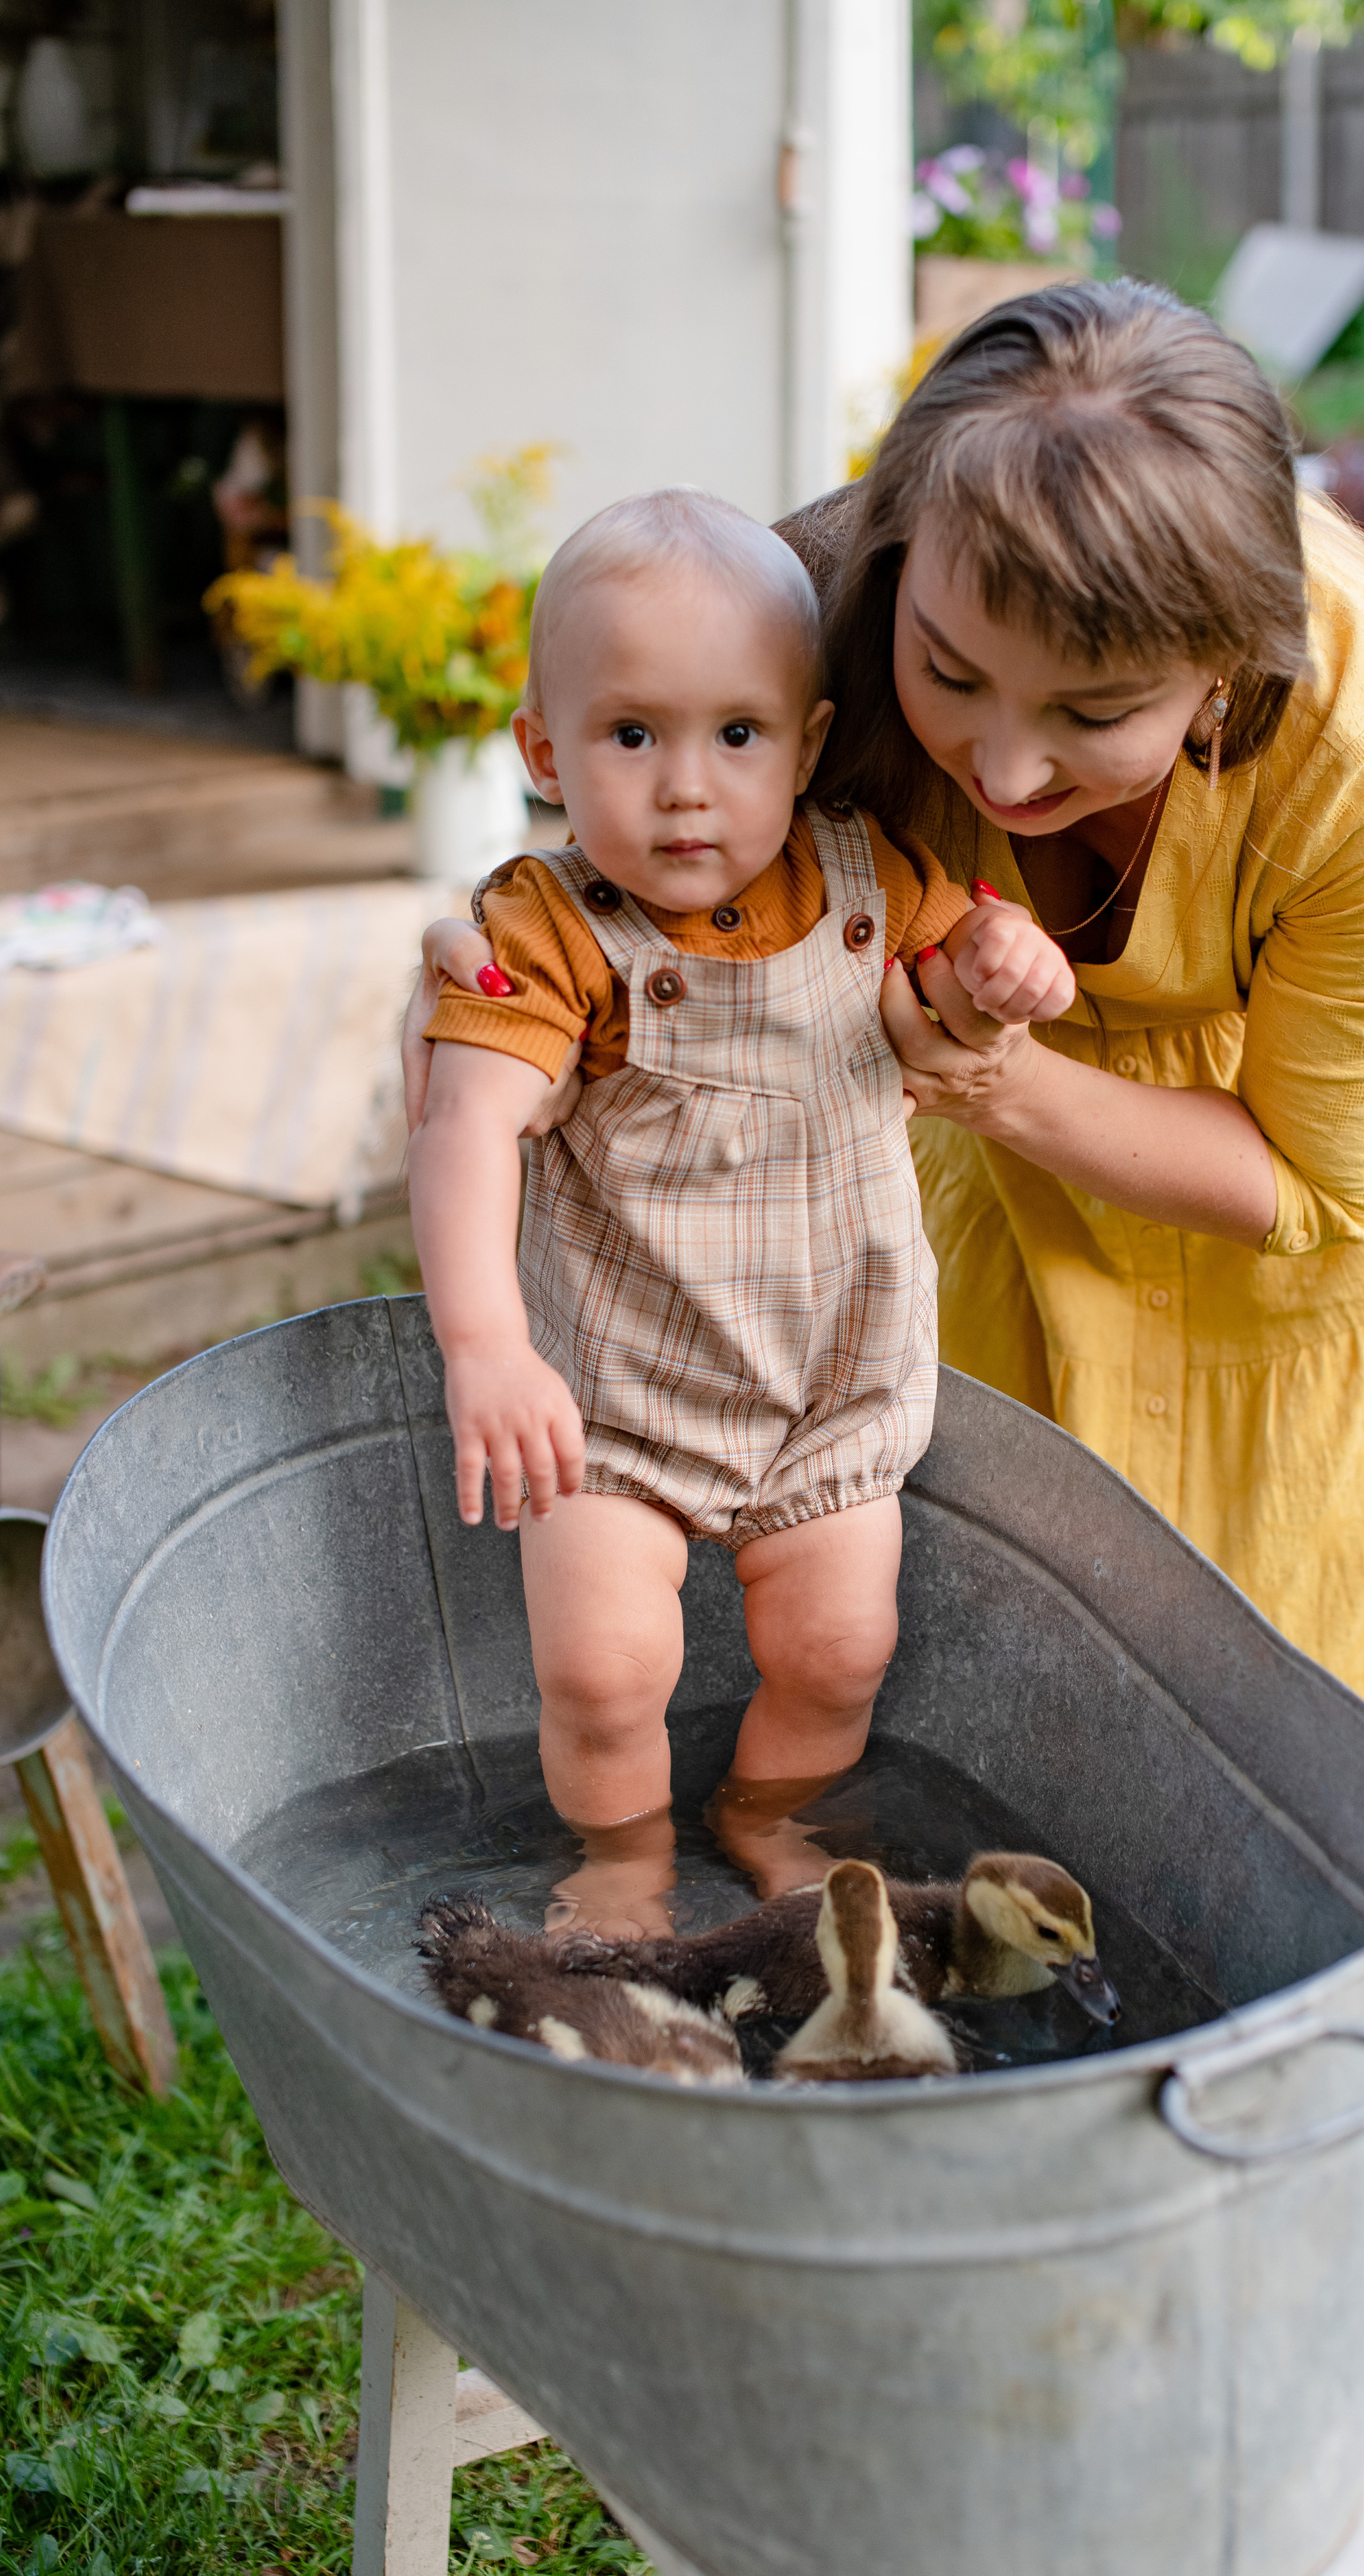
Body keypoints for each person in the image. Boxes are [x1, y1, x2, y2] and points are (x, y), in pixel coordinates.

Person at [408, 284, 1364, 2149]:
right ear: (900, 563)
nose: (1006, 776)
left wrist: (991, 1077)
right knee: (1013, 1610)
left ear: (1225, 672)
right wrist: (480, 949)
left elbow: (1313, 1181)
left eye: (1094, 719)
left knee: (1313, 1652)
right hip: (968, 1136)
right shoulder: (840, 582)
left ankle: (1283, 2115)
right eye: (950, 681)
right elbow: (631, 772)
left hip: (1311, 1213)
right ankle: (1002, 2040)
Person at [406, 488, 1074, 1938]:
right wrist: (484, 1346)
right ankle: (624, 1862)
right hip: (617, 1400)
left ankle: (772, 1819)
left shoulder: (865, 873)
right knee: (601, 1671)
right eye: (629, 735)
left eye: (737, 735)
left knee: (839, 1649)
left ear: (810, 745)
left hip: (830, 1380)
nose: (686, 788)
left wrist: (1007, 963)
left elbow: (955, 981)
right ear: (542, 752)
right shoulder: (547, 933)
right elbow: (467, 1125)